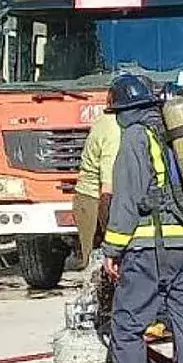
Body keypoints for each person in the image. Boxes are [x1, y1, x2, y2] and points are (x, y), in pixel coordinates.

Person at [100, 74, 183, 363]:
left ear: (122, 111)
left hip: (150, 244)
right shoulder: (178, 132)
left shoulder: (134, 136)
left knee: (128, 323)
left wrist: (112, 249)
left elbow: (128, 198)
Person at [73, 92, 123, 267]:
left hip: (88, 199)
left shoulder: (106, 120)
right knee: (102, 267)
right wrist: (112, 237)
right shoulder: (115, 130)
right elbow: (107, 189)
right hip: (96, 202)